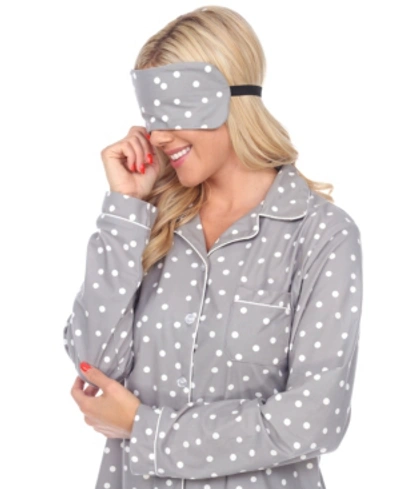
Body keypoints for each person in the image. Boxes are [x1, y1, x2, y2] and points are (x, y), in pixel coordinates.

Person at [63, 5, 363, 489]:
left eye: (174, 111)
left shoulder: (321, 234)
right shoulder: (148, 222)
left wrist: (145, 429)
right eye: (150, 115)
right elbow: (94, 367)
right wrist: (125, 209)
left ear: (230, 100)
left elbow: (314, 419)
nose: (157, 136)